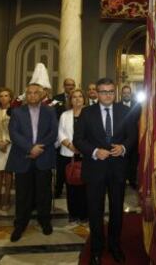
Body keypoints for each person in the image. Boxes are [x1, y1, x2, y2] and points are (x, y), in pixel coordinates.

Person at [73, 78, 136, 265]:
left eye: (110, 91)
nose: (107, 95)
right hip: (95, 169)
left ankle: (115, 246)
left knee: (117, 209)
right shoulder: (86, 113)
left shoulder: (125, 111)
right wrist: (94, 151)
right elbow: (78, 139)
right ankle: (96, 249)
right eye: (103, 92)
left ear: (114, 93)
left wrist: (124, 148)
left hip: (117, 169)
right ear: (96, 93)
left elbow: (132, 135)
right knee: (95, 211)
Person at [6, 83, 58, 242]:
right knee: (22, 194)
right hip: (23, 157)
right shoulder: (16, 112)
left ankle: (45, 221)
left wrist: (39, 148)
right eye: (29, 93)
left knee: (44, 193)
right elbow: (13, 133)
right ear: (25, 95)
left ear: (42, 95)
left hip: (44, 156)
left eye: (36, 93)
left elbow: (53, 132)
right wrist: (30, 148)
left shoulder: (50, 111)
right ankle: (20, 224)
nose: (32, 95)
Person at [58, 89, 88, 223]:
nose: (77, 99)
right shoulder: (65, 115)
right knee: (71, 185)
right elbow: (60, 134)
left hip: (86, 155)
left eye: (80, 96)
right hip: (68, 154)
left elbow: (94, 134)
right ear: (70, 100)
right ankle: (73, 214)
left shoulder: (91, 114)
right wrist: (71, 146)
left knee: (85, 186)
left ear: (84, 99)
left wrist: (82, 148)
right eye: (74, 97)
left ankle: (84, 214)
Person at [53, 78, 76, 198]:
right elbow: (54, 117)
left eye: (72, 85)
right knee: (61, 170)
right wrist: (67, 143)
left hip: (78, 147)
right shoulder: (56, 99)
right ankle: (58, 189)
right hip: (61, 141)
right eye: (68, 85)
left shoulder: (85, 111)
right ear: (64, 86)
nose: (70, 87)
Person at [119, 85, 141, 189]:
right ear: (121, 94)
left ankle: (132, 180)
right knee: (122, 161)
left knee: (133, 161)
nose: (126, 94)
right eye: (124, 93)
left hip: (134, 138)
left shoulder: (138, 106)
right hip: (121, 139)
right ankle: (122, 181)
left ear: (131, 94)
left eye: (128, 93)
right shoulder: (117, 106)